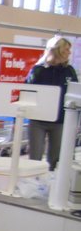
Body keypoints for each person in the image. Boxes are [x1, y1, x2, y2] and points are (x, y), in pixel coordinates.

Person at [25, 36, 78, 171]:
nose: (69, 53)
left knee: (55, 159)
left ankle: (52, 185)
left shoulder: (69, 71)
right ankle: (33, 182)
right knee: (34, 158)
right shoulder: (38, 70)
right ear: (57, 50)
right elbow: (25, 93)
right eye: (66, 50)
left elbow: (75, 95)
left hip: (59, 121)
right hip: (38, 119)